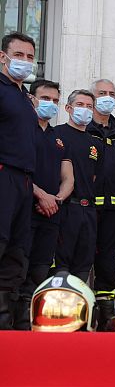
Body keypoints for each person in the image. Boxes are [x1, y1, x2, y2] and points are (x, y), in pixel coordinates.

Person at [13, 79, 75, 330]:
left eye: (55, 101)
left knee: (39, 272)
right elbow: (19, 172)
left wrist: (57, 199)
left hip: (51, 214)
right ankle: (9, 327)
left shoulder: (58, 137)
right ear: (32, 99)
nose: (51, 105)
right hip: (25, 212)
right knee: (17, 270)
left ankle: (27, 326)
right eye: (45, 99)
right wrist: (41, 196)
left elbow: (68, 178)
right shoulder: (21, 131)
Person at [0, 32, 38, 329]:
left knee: (17, 249)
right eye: (19, 55)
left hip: (24, 182)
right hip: (3, 175)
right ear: (4, 57)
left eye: (29, 56)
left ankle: (5, 318)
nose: (25, 61)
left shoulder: (24, 96)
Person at [86, 79, 115, 330]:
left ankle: (106, 319)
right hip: (85, 208)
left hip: (113, 211)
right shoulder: (84, 129)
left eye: (112, 93)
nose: (107, 97)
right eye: (102, 93)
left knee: (109, 265)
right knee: (80, 259)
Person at [53, 90, 101, 283]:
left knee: (84, 263)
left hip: (88, 210)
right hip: (65, 208)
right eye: (80, 105)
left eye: (89, 106)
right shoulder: (57, 134)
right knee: (61, 263)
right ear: (68, 108)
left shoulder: (95, 143)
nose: (85, 110)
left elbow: (95, 176)